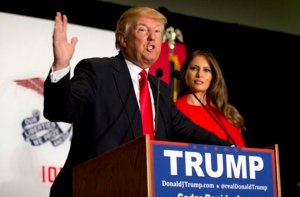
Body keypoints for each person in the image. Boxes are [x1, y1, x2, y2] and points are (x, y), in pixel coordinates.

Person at [43, 7, 233, 197]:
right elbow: (60, 111)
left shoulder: (161, 89)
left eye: (157, 31)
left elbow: (187, 130)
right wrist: (61, 66)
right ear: (122, 39)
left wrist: (233, 150)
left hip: (145, 189)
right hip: (92, 187)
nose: (152, 37)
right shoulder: (97, 71)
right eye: (143, 30)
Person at [175, 50, 246, 147]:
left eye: (206, 70)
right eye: (194, 68)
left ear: (214, 76)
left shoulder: (225, 114)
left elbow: (241, 153)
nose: (200, 75)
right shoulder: (173, 110)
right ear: (185, 72)